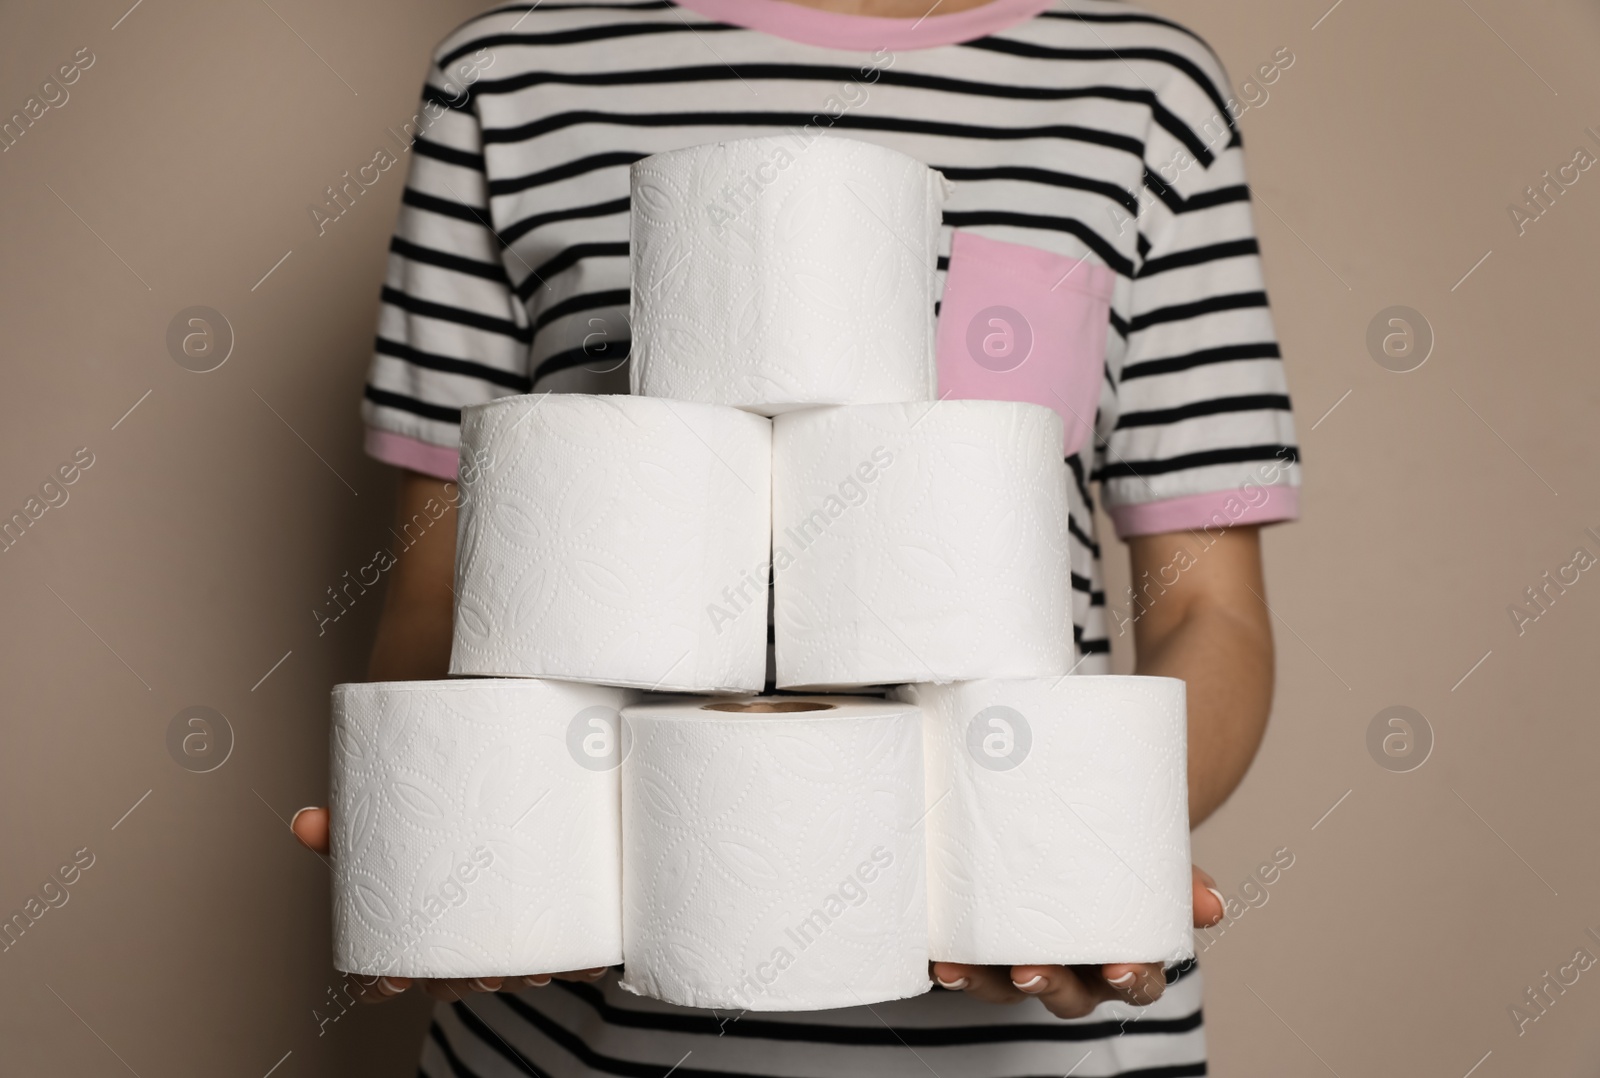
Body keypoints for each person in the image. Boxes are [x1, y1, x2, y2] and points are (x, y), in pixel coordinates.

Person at [291, 0, 1301, 1073]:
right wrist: (470, 854)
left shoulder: (1146, 90)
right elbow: (442, 596)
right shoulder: (506, 79)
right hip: (581, 1040)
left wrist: (1071, 856)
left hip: (1035, 1026)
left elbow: (1208, 608)